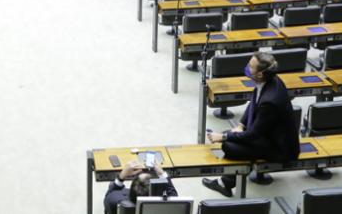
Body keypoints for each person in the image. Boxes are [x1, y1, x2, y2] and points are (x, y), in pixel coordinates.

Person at [202, 52, 300, 197]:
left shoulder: (270, 101)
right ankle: (226, 182)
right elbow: (255, 99)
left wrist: (222, 137)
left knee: (228, 145)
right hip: (270, 134)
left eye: (250, 66)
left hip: (280, 149)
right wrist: (241, 124)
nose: (247, 67)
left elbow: (253, 134)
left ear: (260, 74)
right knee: (231, 134)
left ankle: (225, 183)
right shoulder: (271, 80)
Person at [103, 159, 178, 214]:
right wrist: (162, 174)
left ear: (132, 189)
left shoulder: (113, 200)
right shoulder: (169, 206)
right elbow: (173, 194)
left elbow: (109, 195)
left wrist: (121, 176)